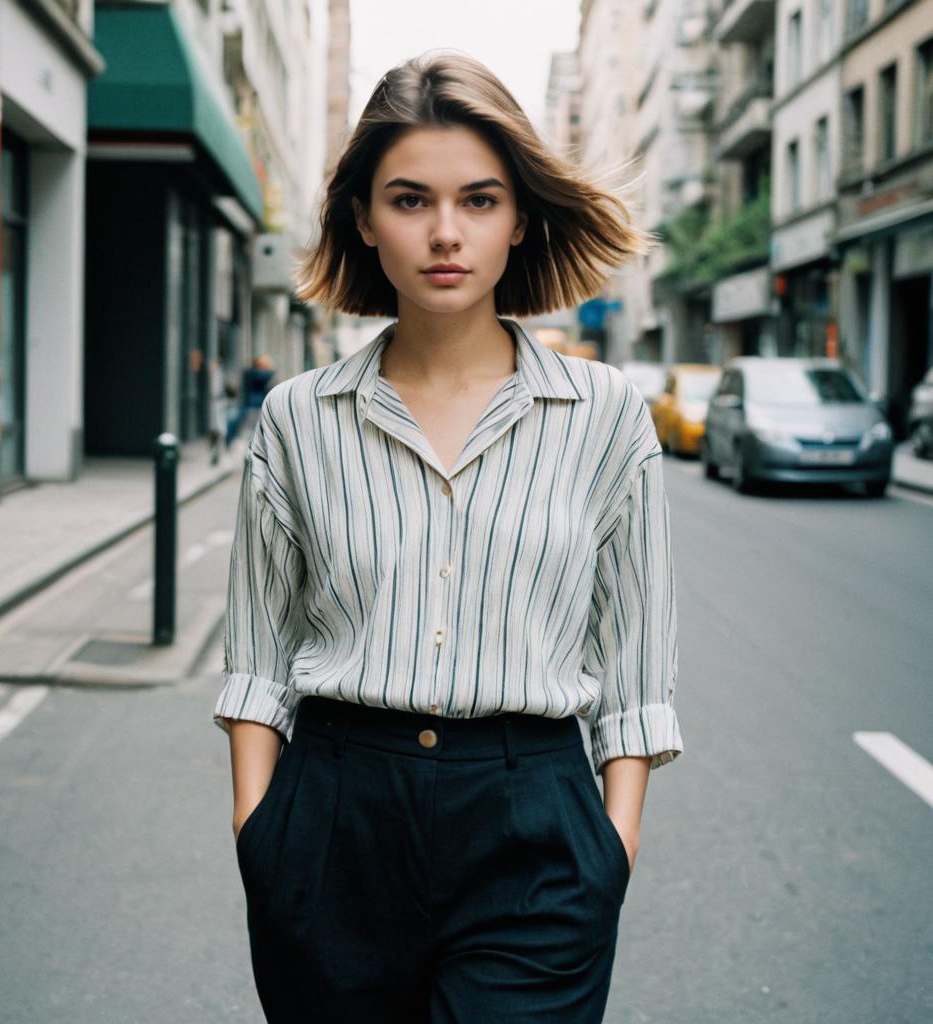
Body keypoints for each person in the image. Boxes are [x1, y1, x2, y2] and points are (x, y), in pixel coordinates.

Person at [214, 50, 684, 1023]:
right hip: (333, 820)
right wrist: (260, 831)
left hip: (534, 828)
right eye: (408, 199)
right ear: (362, 218)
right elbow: (258, 657)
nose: (443, 233)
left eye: (477, 200)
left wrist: (610, 849)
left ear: (519, 219)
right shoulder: (298, 418)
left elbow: (635, 667)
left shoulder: (603, 414)